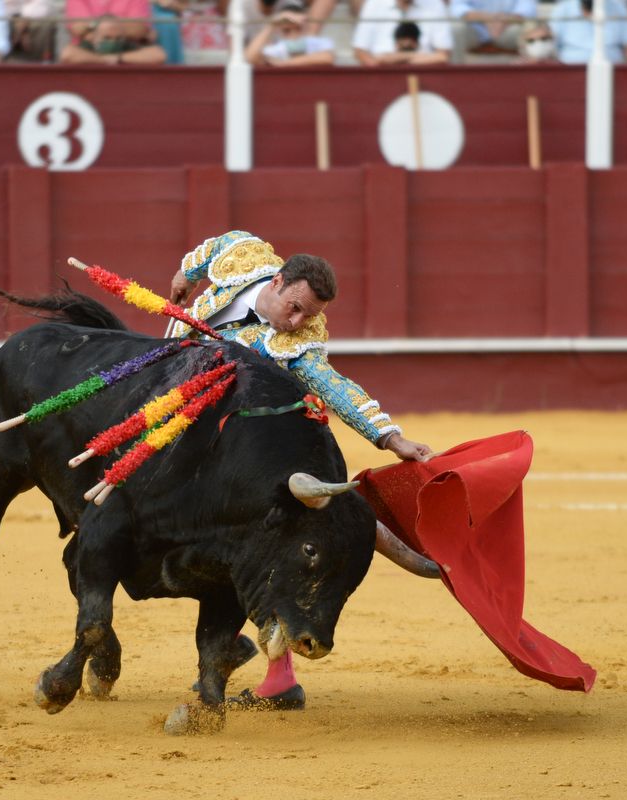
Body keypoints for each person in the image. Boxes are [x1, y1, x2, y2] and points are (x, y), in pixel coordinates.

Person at [168, 231, 433, 711]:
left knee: (264, 546)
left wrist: (391, 439)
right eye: (294, 308)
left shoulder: (302, 344)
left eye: (309, 316)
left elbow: (337, 387)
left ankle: (277, 674)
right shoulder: (244, 256)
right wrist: (185, 274)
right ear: (276, 280)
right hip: (173, 405)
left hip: (233, 446)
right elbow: (220, 242)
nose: (297, 322)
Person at [352, 0, 453, 65]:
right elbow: (360, 52)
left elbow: (443, 56)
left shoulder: (435, 4)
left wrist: (393, 59)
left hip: (425, 77)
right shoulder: (374, 3)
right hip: (382, 77)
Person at [244, 0, 335, 65]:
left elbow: (328, 57)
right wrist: (272, 24)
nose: (293, 35)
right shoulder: (276, 49)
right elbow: (250, 57)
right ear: (279, 32)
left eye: (298, 29)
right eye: (287, 31)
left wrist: (284, 63)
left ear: (305, 28)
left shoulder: (314, 43)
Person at [549, 0, 627, 63]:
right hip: (570, 72)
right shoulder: (563, 9)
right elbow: (550, 44)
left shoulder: (618, 7)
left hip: (613, 72)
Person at [58, 12, 167, 61]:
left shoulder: (125, 45)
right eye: (107, 38)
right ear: (94, 37)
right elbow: (67, 54)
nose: (113, 42)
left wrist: (118, 58)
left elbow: (158, 55)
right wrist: (103, 59)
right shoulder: (88, 46)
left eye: (117, 38)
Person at [449, 0, 536, 58]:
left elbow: (528, 9)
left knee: (531, 30)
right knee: (456, 30)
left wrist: (503, 21)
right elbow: (458, 8)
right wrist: (486, 19)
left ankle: (531, 77)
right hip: (475, 29)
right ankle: (453, 77)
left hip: (508, 28)